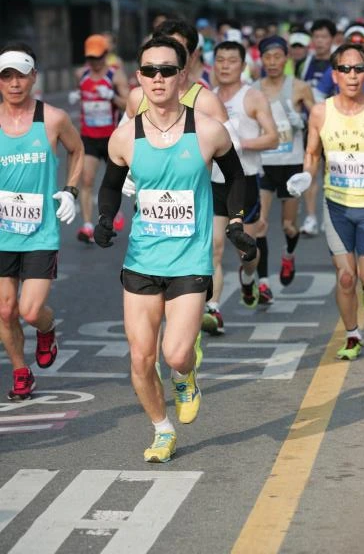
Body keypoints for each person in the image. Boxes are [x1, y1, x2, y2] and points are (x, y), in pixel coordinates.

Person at [93, 35, 256, 462]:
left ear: (182, 75)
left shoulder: (207, 130)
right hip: (142, 259)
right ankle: (161, 429)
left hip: (189, 259)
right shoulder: (125, 137)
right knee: (141, 358)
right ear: (139, 77)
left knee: (177, 353)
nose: (158, 78)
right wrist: (105, 219)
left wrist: (236, 221)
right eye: (150, 70)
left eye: (167, 70)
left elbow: (236, 177)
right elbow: (110, 186)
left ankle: (185, 376)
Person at [287, 42, 364, 360]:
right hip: (336, 206)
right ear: (334, 75)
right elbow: (312, 153)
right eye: (345, 69)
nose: (352, 75)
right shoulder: (321, 112)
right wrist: (306, 175)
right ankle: (352, 335)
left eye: (359, 69)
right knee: (346, 277)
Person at [0, 42, 84, 400]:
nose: (14, 83)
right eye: (6, 76)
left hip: (40, 231)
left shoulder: (53, 119)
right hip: (2, 231)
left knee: (31, 311)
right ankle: (21, 371)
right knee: (5, 310)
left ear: (34, 77)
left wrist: (70, 190)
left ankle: (46, 329)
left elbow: (77, 150)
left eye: (20, 75)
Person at [202, 39, 278, 334]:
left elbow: (272, 137)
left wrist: (237, 144)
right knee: (214, 248)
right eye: (220, 60)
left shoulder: (253, 97)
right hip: (213, 181)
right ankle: (213, 308)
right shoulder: (206, 98)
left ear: (243, 65)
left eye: (231, 61)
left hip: (244, 181)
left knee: (245, 249)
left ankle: (248, 278)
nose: (225, 66)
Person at [253, 35, 314, 301]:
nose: (272, 62)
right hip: (263, 164)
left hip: (291, 165)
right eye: (267, 57)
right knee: (260, 224)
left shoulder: (299, 87)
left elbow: (318, 119)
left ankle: (288, 255)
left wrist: (302, 121)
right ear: (261, 60)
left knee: (289, 225)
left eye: (277, 57)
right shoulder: (253, 90)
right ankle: (263, 282)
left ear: (286, 58)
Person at [74, 34, 129, 243]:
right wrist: (78, 96)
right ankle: (87, 226)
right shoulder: (81, 74)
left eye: (97, 57)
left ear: (105, 55)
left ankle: (115, 211)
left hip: (111, 138)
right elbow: (83, 95)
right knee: (86, 180)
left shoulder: (116, 75)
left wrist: (111, 96)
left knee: (114, 182)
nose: (94, 62)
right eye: (90, 58)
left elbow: (129, 104)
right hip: (89, 136)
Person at [298, 18, 337, 236]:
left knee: (331, 173)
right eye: (316, 36)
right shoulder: (305, 63)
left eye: (324, 36)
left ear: (332, 39)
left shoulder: (339, 62)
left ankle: (329, 216)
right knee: (310, 171)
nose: (320, 41)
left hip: (334, 126)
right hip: (309, 126)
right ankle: (311, 217)